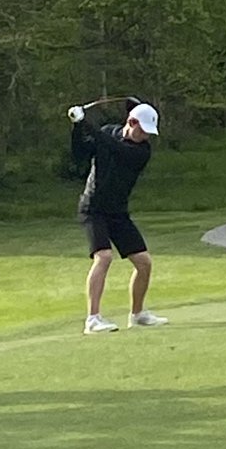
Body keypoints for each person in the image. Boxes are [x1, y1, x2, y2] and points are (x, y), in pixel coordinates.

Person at [67, 98, 169, 334]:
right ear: (131, 122)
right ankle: (93, 319)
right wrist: (77, 127)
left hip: (117, 212)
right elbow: (81, 152)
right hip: (93, 208)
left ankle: (138, 314)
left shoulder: (141, 151)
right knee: (103, 257)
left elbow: (116, 149)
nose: (146, 136)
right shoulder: (108, 132)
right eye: (143, 130)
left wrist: (86, 122)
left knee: (144, 262)